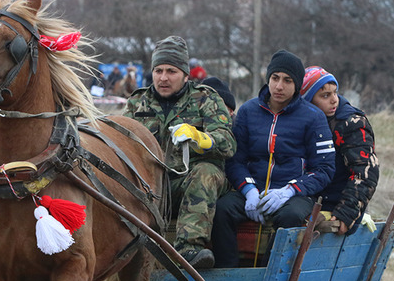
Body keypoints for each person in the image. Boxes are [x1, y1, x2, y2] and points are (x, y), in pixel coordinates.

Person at [211, 50, 335, 268]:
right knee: (222, 210)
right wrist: (248, 190)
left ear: (297, 85)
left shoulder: (313, 117)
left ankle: (269, 276)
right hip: (253, 190)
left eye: (287, 80)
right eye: (275, 78)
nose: (279, 86)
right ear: (268, 79)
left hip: (293, 193)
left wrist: (290, 190)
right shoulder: (249, 111)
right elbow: (235, 160)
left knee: (291, 217)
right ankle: (226, 275)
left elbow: (324, 169)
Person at [123, 36, 235, 269]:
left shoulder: (206, 99)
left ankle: (190, 248)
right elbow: (120, 143)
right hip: (151, 185)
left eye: (171, 71)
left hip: (190, 181)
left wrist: (200, 138)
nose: (163, 78)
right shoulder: (137, 102)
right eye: (158, 70)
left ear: (186, 75)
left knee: (205, 171)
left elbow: (228, 143)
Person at [300, 66, 380, 235]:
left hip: (337, 203)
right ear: (308, 101)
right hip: (308, 198)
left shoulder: (350, 124)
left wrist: (346, 212)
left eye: (335, 93)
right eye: (325, 96)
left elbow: (365, 172)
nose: (334, 100)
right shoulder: (300, 122)